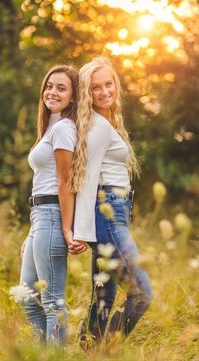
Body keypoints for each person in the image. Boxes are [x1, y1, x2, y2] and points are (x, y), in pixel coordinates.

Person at [71, 57, 153, 343]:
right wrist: (80, 231)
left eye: (109, 84)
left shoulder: (105, 121)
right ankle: (106, 350)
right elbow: (87, 177)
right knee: (141, 293)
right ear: (85, 92)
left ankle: (86, 351)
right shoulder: (98, 126)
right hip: (106, 212)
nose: (105, 92)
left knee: (103, 297)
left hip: (113, 211)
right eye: (96, 88)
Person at [20, 65, 86, 346]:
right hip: (40, 217)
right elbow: (45, 183)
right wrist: (31, 231)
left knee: (51, 302)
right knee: (27, 298)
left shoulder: (63, 129)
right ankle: (42, 354)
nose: (52, 92)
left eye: (61, 88)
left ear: (73, 97)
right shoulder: (51, 127)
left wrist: (68, 228)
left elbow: (64, 183)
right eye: (49, 86)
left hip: (51, 216)